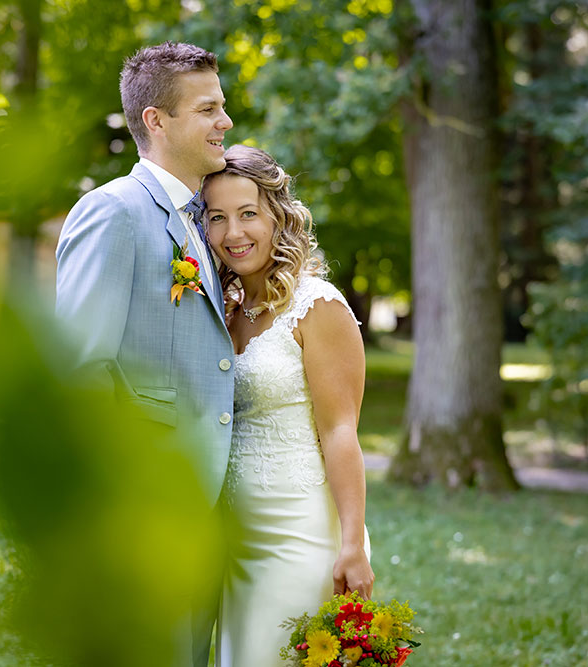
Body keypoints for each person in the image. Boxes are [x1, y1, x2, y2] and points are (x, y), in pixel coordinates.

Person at [54, 42, 235, 667]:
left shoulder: (203, 220)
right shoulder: (113, 214)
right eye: (208, 108)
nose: (226, 122)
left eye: (223, 106)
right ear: (157, 121)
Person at [202, 145, 375, 667]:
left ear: (278, 216)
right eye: (217, 218)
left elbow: (342, 430)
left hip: (299, 537)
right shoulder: (220, 310)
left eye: (248, 213)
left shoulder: (316, 306)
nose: (234, 233)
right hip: (236, 542)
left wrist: (352, 545)